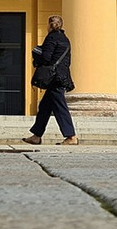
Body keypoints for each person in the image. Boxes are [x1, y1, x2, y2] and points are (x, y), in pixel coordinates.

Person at [23, 14, 77, 146]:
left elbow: (46, 58)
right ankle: (36, 135)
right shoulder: (65, 39)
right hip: (61, 76)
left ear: (49, 25)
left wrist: (36, 52)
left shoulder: (51, 38)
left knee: (60, 107)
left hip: (54, 78)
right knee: (45, 107)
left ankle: (71, 136)